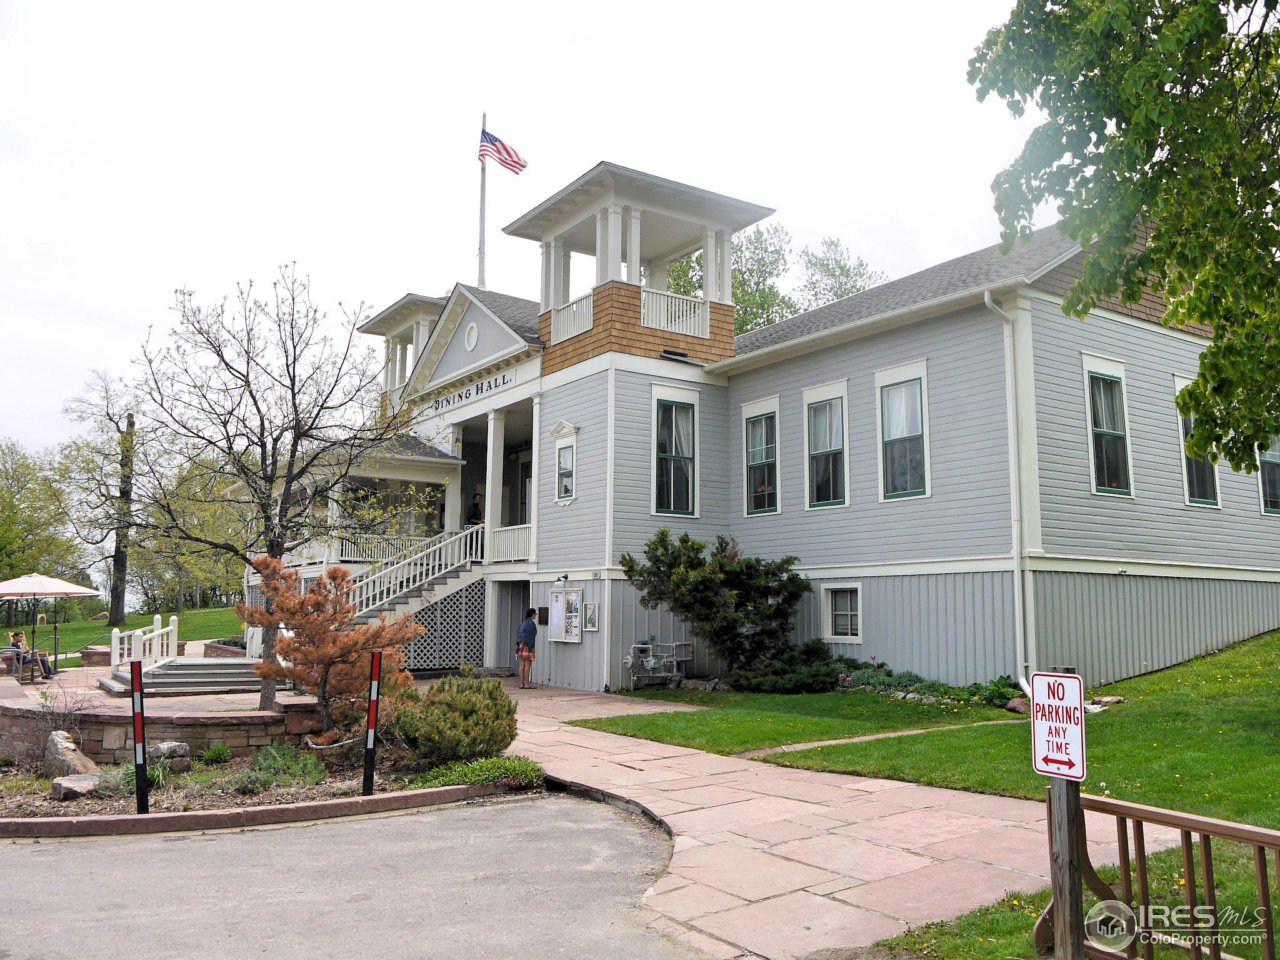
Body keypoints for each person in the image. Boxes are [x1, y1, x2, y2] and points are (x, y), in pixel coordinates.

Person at [515, 607, 537, 690]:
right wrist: (531, 647)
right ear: (532, 614)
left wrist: (519, 644)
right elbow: (531, 636)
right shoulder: (531, 624)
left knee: (522, 665)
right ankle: (527, 684)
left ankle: (521, 683)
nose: (535, 616)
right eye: (535, 614)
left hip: (520, 646)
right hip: (528, 646)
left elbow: (519, 633)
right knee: (528, 664)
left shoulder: (523, 623)